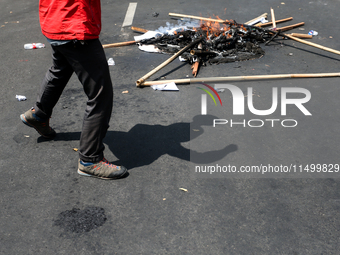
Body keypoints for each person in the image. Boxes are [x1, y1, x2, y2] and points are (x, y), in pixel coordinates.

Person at [20, 0, 127, 180]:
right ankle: (90, 159)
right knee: (100, 93)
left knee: (60, 69)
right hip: (74, 23)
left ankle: (39, 115)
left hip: (54, 19)